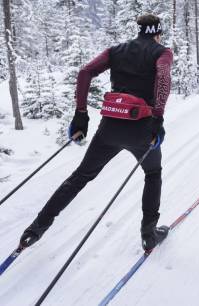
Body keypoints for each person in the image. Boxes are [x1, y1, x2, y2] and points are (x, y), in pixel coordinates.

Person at [19, 14, 173, 252]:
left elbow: (85, 72)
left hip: (109, 127)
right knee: (153, 173)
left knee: (80, 177)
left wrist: (81, 114)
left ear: (139, 31)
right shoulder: (162, 52)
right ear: (157, 32)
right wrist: (158, 117)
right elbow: (163, 78)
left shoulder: (115, 50)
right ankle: (149, 234)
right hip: (142, 128)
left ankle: (35, 230)